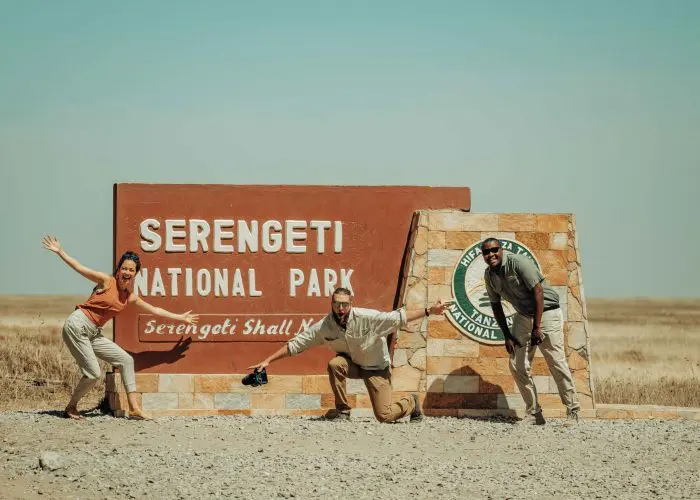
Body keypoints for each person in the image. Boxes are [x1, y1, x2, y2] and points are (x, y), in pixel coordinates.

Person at [42, 235, 199, 420]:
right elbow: (79, 268)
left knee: (126, 360)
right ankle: (71, 407)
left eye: (131, 269)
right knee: (93, 373)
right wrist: (61, 252)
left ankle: (134, 409)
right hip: (78, 325)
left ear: (135, 273)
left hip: (93, 333)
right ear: (118, 270)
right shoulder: (106, 281)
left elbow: (154, 310)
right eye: (124, 268)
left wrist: (180, 317)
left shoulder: (129, 296)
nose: (127, 271)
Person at [249, 287, 450, 423]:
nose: (341, 308)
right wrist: (267, 360)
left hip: (376, 368)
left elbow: (398, 317)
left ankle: (411, 403)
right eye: (337, 304)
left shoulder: (367, 318)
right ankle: (343, 411)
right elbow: (298, 343)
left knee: (385, 416)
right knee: (335, 364)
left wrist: (428, 310)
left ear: (351, 304)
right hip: (352, 364)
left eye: (344, 304)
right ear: (331, 304)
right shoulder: (325, 326)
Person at [481, 237, 580, 426]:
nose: (490, 254)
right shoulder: (489, 275)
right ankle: (534, 414)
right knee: (517, 365)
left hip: (546, 311)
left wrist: (537, 327)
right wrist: (507, 335)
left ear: (501, 250)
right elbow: (496, 306)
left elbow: (539, 291)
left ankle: (573, 411)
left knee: (555, 361)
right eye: (486, 252)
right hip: (523, 315)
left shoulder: (517, 262)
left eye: (494, 250)